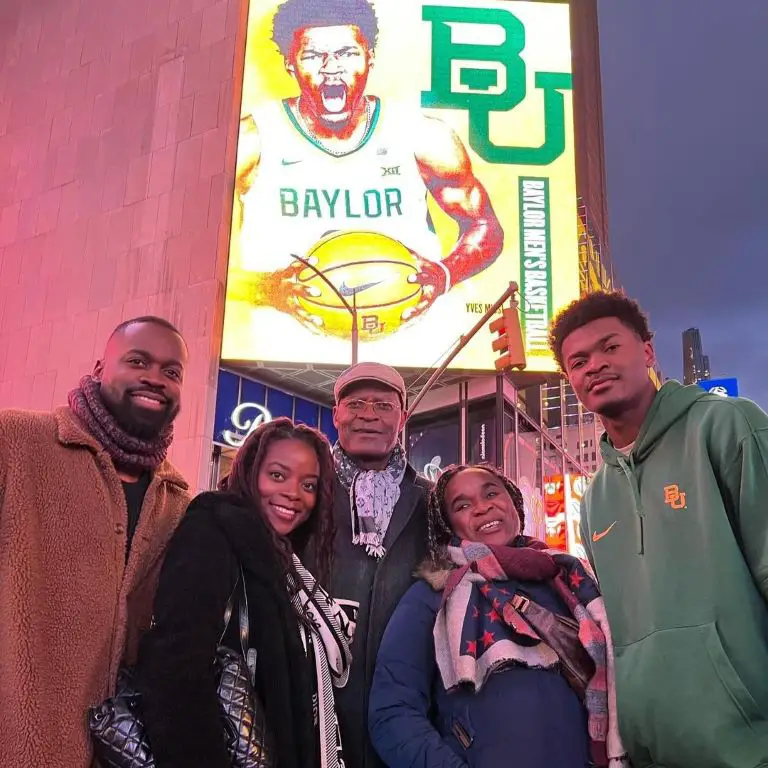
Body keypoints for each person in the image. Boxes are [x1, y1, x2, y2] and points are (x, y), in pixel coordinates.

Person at [549, 290, 768, 767]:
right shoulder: (595, 498)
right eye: (579, 360)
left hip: (751, 746)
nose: (596, 366)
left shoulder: (726, 426)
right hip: (654, 751)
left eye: (611, 347)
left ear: (647, 351)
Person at [228, 0, 504, 331]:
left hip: (410, 349)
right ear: (290, 63)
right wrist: (268, 288)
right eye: (313, 55)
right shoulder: (250, 142)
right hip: (285, 353)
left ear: (369, 56)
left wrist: (445, 274)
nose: (331, 68)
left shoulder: (422, 135)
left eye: (346, 53)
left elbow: (485, 226)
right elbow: (195, 267)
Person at [0, 316, 190, 767]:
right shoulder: (17, 441)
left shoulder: (177, 499)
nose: (155, 379)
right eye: (138, 361)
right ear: (101, 366)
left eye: (172, 372)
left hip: (117, 752)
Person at [368, 463, 627, 768]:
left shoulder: (568, 583)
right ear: (448, 525)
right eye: (462, 505)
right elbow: (393, 712)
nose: (482, 507)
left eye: (491, 493)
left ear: (515, 503)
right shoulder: (432, 597)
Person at [138, 418, 353, 768]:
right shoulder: (212, 529)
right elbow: (175, 665)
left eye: (309, 485)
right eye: (278, 476)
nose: (293, 494)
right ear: (251, 472)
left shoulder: (287, 560)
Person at [321, 361, 431, 768]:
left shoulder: (431, 501)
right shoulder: (305, 493)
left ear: (402, 417)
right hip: (315, 711)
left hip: (410, 714)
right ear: (337, 415)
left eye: (383, 405)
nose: (368, 414)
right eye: (356, 403)